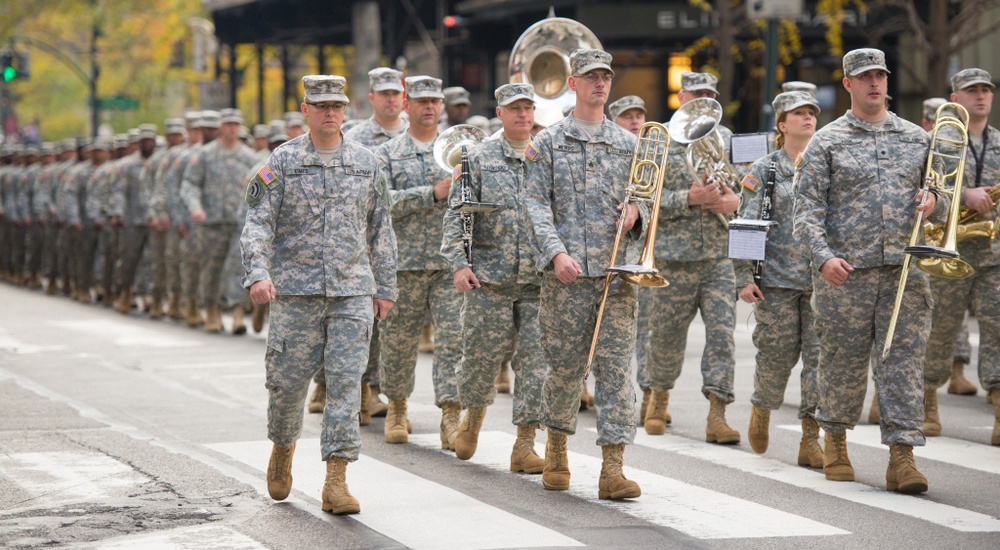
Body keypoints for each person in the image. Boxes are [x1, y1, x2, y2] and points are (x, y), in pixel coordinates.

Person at [241, 74, 397, 515]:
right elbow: (257, 225)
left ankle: (336, 479)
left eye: (337, 106)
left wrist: (385, 286)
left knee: (347, 386)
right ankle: (283, 447)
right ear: (306, 110)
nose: (330, 113)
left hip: (352, 294)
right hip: (296, 295)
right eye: (321, 105)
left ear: (345, 111)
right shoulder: (282, 163)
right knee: (287, 386)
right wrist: (257, 273)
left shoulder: (368, 163)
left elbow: (380, 229)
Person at [793, 48, 947, 493]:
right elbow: (806, 213)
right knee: (841, 361)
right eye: (864, 77)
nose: (874, 83)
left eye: (879, 75)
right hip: (846, 274)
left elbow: (940, 201)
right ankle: (836, 441)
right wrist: (823, 258)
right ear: (848, 85)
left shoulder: (917, 138)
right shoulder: (827, 141)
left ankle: (902, 457)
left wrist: (934, 203)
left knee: (903, 365)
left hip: (904, 271)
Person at [524, 48, 643, 500]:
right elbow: (534, 204)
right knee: (565, 369)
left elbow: (648, 200)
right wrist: (556, 254)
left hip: (614, 276)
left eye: (605, 76)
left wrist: (637, 212)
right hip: (565, 277)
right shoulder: (549, 143)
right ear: (572, 83)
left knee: (616, 371)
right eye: (591, 76)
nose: (600, 83)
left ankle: (613, 468)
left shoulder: (628, 144)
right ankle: (556, 449)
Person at [441, 82, 546, 472]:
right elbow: (455, 216)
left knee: (536, 365)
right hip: (490, 279)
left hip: (538, 279)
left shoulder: (546, 155)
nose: (522, 115)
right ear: (499, 114)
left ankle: (525, 444)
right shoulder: (476, 158)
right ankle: (473, 418)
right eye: (514, 109)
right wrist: (458, 263)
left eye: (527, 108)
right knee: (480, 361)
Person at [643, 72, 741, 443]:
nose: (703, 100)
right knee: (665, 336)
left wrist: (735, 201)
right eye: (696, 94)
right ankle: (657, 398)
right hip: (673, 257)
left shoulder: (727, 139)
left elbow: (749, 185)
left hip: (719, 256)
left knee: (722, 336)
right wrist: (689, 199)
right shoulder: (659, 140)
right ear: (681, 96)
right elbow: (644, 199)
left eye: (710, 95)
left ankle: (717, 414)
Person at [376, 76, 465, 449]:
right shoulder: (388, 153)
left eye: (435, 101)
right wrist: (429, 194)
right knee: (398, 342)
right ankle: (397, 408)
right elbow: (382, 202)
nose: (429, 107)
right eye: (421, 101)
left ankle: (450, 415)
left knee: (453, 340)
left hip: (451, 263)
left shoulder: (462, 149)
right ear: (406, 105)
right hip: (404, 264)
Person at [736, 91, 823, 467]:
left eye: (811, 113)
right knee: (775, 358)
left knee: (819, 363)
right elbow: (746, 225)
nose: (807, 118)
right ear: (782, 124)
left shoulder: (826, 163)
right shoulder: (764, 170)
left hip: (821, 280)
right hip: (776, 282)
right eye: (798, 114)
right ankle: (762, 407)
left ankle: (811, 438)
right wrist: (743, 276)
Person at [921, 68, 1000, 443]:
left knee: (997, 329)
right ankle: (927, 401)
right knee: (941, 330)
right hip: (948, 250)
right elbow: (925, 188)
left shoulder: (999, 142)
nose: (981, 96)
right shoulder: (941, 143)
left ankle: (999, 405)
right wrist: (965, 194)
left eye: (986, 90)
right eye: (972, 91)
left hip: (992, 253)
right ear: (956, 99)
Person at [181, 108, 258, 333]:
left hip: (239, 223)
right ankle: (212, 312)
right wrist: (195, 208)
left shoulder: (249, 158)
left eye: (236, 124)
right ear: (221, 127)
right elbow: (190, 184)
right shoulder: (204, 155)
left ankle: (237, 314)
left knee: (239, 268)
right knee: (211, 269)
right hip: (211, 222)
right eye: (229, 124)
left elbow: (261, 188)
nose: (233, 129)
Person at [608, 94, 648, 418]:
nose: (635, 121)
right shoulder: (613, 149)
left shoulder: (651, 155)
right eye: (627, 116)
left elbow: (652, 202)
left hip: (633, 259)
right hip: (592, 260)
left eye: (639, 115)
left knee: (622, 353)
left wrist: (639, 212)